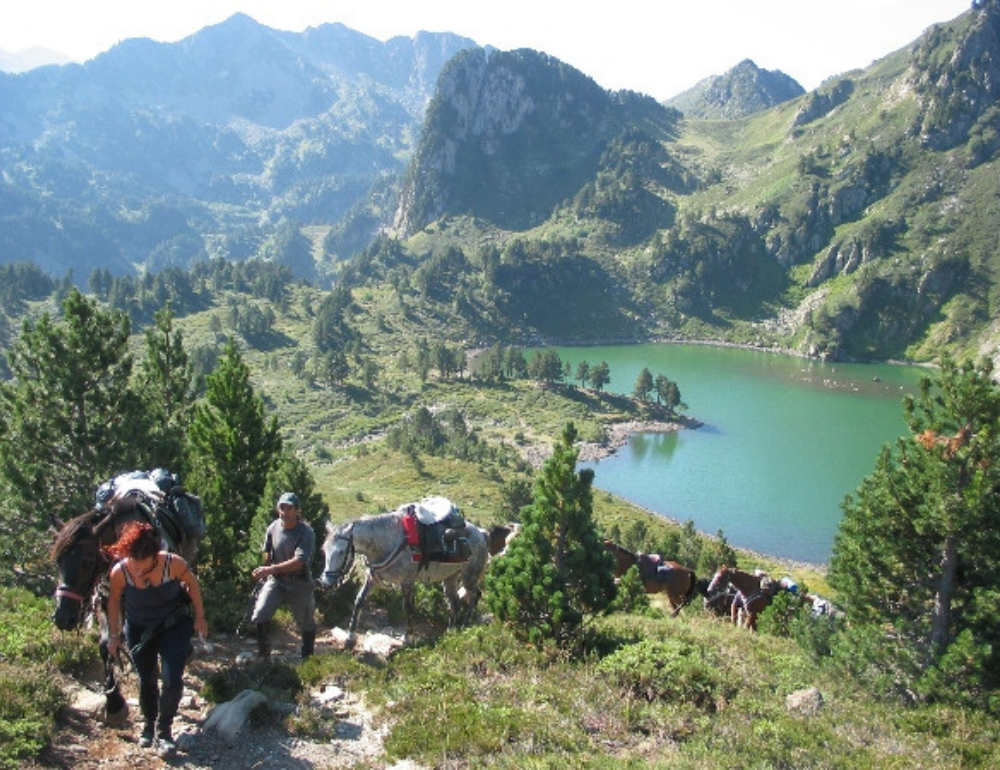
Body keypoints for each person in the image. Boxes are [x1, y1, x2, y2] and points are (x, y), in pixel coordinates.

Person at [106, 521, 207, 758]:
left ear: (155, 556)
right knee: (146, 678)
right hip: (140, 629)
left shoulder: (173, 563)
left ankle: (164, 731)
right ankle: (148, 725)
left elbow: (192, 584)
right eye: (135, 565)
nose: (139, 571)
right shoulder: (120, 571)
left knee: (172, 678)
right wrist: (113, 635)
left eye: (145, 567)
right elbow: (113, 601)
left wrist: (200, 617)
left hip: (173, 625)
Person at [250, 492, 317, 660]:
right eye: (282, 507)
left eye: (290, 508)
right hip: (277, 581)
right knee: (260, 614)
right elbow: (267, 552)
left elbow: (299, 562)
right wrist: (264, 570)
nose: (285, 512)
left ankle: (308, 659)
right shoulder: (273, 527)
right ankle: (263, 656)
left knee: (306, 622)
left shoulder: (306, 533)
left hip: (299, 581)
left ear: (297, 511)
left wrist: (269, 570)